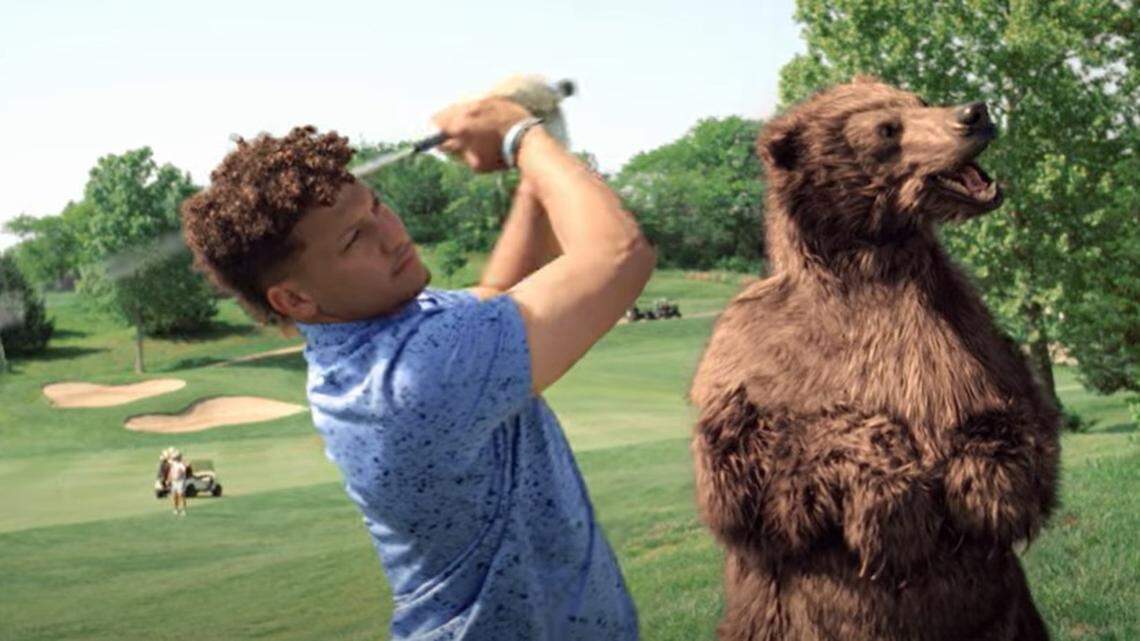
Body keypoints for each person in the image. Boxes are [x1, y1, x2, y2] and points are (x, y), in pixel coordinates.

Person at [180, 96, 655, 640]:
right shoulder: (409, 377)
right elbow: (620, 255)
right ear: (295, 299)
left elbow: (494, 296)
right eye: (354, 238)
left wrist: (532, 181)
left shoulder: (377, 337)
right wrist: (519, 134)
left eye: (377, 206)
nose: (391, 233)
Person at [167, 452, 188, 516]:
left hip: (181, 481)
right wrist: (169, 479)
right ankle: (176, 509)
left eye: (176, 457)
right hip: (174, 481)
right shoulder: (173, 463)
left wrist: (178, 475)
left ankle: (183, 510)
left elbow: (182, 471)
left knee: (181, 495)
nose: (175, 459)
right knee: (174, 496)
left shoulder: (182, 464)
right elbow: (171, 471)